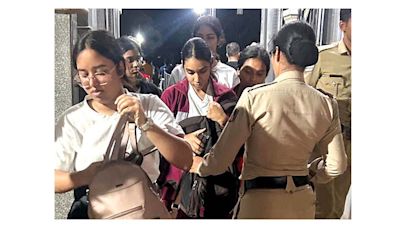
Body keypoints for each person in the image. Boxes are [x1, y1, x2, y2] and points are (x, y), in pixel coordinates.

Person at [190, 21, 348, 219]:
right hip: (302, 203)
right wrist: (311, 172)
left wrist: (199, 165)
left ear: (278, 54)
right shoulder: (326, 104)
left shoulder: (254, 97)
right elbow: (337, 165)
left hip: (259, 203)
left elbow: (221, 160)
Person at [54, 30, 193, 218]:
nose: (92, 83)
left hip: (143, 211)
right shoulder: (72, 119)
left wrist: (145, 123)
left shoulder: (149, 104)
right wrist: (84, 176)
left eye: (101, 72)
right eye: (84, 75)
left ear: (120, 68)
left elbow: (185, 159)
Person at [161, 37, 238, 218]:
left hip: (218, 186)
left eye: (202, 71)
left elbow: (239, 143)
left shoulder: (226, 97)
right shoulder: (172, 96)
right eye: (190, 72)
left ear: (211, 63)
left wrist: (224, 120)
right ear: (182, 67)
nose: (197, 79)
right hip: (179, 187)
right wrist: (183, 140)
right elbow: (158, 138)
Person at [305, 9, 352, 219]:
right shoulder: (324, 58)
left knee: (339, 205)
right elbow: (306, 95)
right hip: (330, 141)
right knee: (322, 203)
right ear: (342, 25)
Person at [167, 15, 240, 89]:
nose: (204, 42)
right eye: (200, 37)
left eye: (210, 37)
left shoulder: (230, 74)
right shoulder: (179, 72)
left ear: (219, 40)